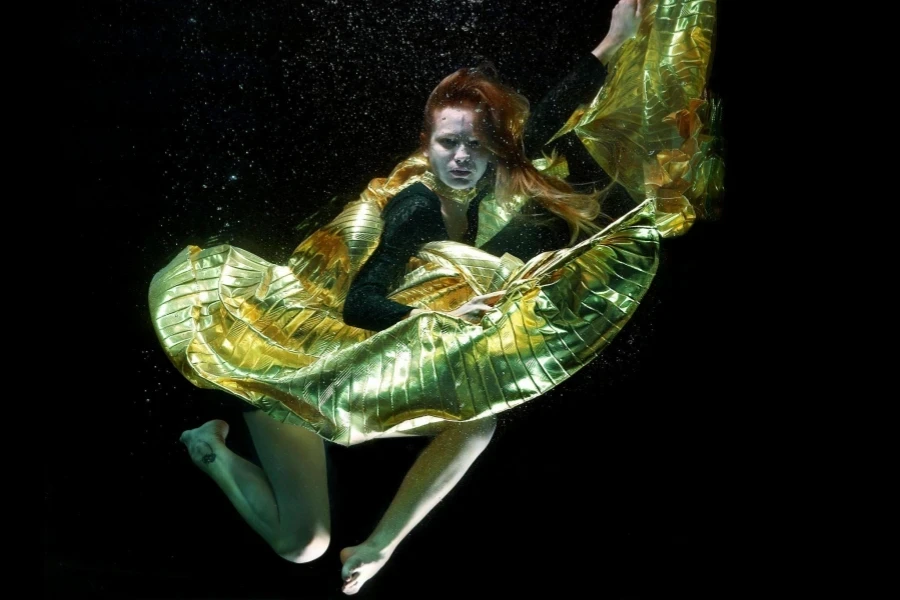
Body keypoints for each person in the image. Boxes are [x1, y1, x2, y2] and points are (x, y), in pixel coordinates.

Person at [154, 0, 721, 594]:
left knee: (474, 425)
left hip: (359, 374)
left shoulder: (486, 180)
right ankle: (209, 446)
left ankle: (375, 544)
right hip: (291, 371)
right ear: (427, 143)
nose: (461, 159)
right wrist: (432, 319)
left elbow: (548, 120)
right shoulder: (417, 207)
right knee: (302, 545)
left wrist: (611, 44)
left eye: (476, 147)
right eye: (449, 144)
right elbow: (362, 301)